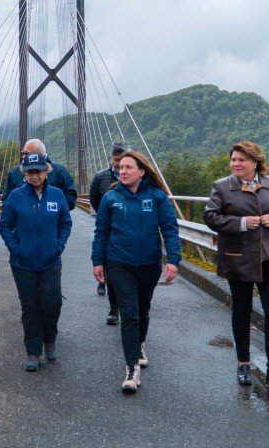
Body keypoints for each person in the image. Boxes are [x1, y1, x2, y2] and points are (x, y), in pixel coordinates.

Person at [202, 141, 269, 396]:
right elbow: (210, 217)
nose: (235, 164)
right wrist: (242, 223)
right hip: (239, 259)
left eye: (241, 160)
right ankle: (243, 363)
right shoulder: (222, 186)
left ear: (255, 162)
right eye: (233, 159)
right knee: (242, 310)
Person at [91, 150, 181, 393]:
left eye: (128, 167)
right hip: (119, 263)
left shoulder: (157, 197)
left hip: (149, 264)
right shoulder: (111, 198)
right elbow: (101, 232)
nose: (123, 171)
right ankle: (132, 368)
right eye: (120, 167)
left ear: (141, 171)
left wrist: (173, 259)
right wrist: (97, 261)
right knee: (129, 313)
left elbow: (169, 228)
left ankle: (140, 343)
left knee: (142, 309)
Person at [0, 152, 72, 372]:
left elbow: (65, 223)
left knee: (52, 303)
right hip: (23, 263)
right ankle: (33, 351)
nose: (35, 176)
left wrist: (58, 246)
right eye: (30, 172)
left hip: (51, 261)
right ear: (25, 173)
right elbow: (5, 225)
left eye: (39, 171)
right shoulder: (16, 196)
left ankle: (50, 340)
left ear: (46, 171)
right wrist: (16, 249)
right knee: (30, 307)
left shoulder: (57, 195)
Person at [89, 141, 128, 324]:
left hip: (130, 230)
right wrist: (105, 216)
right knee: (112, 267)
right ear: (111, 158)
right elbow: (94, 200)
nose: (119, 163)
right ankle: (114, 309)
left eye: (122, 158)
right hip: (109, 229)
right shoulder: (100, 177)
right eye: (116, 159)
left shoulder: (136, 176)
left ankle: (130, 307)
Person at [1, 139, 77, 210]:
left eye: (26, 153)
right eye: (23, 153)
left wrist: (56, 211)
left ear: (39, 154)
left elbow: (71, 195)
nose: (23, 156)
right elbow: (6, 200)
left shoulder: (59, 171)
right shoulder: (14, 172)